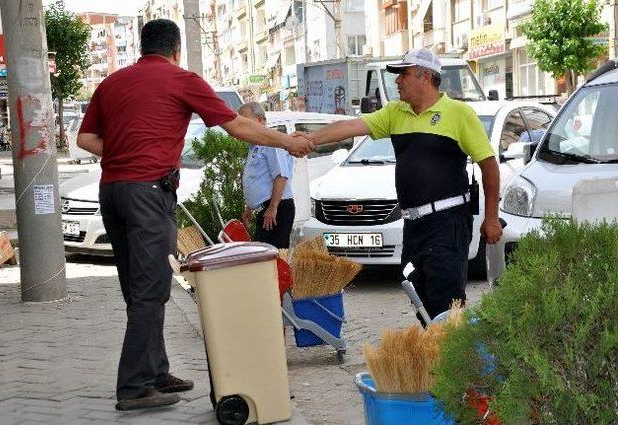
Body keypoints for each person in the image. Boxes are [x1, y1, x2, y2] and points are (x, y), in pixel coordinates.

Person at [77, 19, 312, 412]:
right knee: (151, 290)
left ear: (142, 47)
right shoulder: (181, 79)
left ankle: (155, 372)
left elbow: (85, 139)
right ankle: (134, 387)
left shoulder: (111, 83)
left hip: (113, 192)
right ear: (176, 50)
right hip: (148, 193)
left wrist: (124, 155)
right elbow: (237, 125)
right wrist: (288, 141)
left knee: (139, 289)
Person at [296, 49, 503, 324]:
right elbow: (351, 127)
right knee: (418, 295)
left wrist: (490, 218)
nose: (397, 81)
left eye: (403, 74)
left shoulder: (458, 113)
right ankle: (433, 355)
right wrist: (308, 139)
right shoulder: (396, 112)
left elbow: (489, 165)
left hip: (447, 223)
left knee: (446, 305)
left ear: (425, 77)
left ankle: (448, 361)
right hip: (413, 225)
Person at [240, 102, 295, 248]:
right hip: (265, 209)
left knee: (272, 257)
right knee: (262, 256)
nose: (241, 125)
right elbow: (258, 178)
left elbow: (281, 176)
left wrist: (272, 208)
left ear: (259, 119)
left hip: (277, 209)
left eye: (245, 119)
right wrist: (250, 207)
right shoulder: (255, 144)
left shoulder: (271, 140)